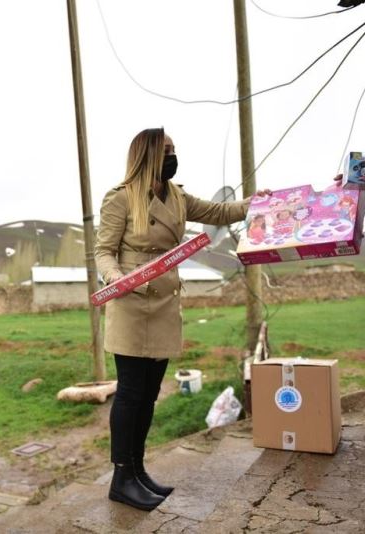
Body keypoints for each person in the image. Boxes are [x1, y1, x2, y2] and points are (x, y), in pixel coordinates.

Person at [95, 127, 270, 511]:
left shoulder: (176, 196)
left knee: (150, 395)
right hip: (131, 304)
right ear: (148, 154)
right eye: (167, 150)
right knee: (130, 393)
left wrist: (256, 202)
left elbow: (219, 212)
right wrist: (116, 278)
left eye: (175, 149)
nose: (173, 156)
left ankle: (138, 472)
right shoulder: (121, 198)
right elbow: (104, 251)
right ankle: (121, 477)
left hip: (163, 307)